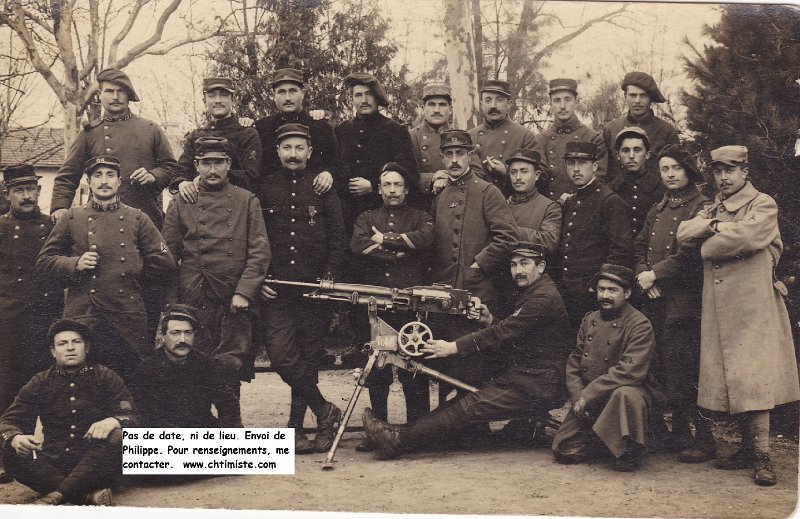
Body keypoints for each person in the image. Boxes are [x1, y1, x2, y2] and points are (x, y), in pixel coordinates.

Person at [362, 242, 570, 459]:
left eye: (525, 264)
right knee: (465, 401)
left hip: (537, 384)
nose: (518, 271)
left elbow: (503, 332)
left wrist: (453, 347)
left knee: (471, 406)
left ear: (541, 266)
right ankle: (398, 433)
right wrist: (488, 319)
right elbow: (516, 332)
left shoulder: (543, 298)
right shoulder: (535, 291)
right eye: (513, 265)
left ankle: (397, 439)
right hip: (525, 377)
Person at [677, 145, 800, 486]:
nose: (723, 177)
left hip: (753, 305)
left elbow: (742, 238)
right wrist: (715, 227)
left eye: (729, 170)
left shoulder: (763, 203)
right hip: (720, 307)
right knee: (734, 377)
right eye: (717, 171)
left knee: (754, 378)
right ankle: (746, 449)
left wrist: (710, 231)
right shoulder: (712, 206)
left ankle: (762, 456)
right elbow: (685, 235)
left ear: (745, 171)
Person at [37, 155, 176, 383]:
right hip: (84, 315)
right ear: (88, 181)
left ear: (119, 181)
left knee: (130, 383)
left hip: (126, 315)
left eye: (110, 175)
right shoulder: (73, 217)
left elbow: (164, 261)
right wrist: (75, 263)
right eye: (97, 175)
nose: (104, 181)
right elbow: (45, 261)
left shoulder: (137, 218)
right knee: (83, 385)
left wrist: (132, 275)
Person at [162, 137, 270, 423]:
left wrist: (245, 292)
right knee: (193, 363)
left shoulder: (246, 200)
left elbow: (260, 252)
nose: (212, 170)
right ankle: (197, 425)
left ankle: (231, 429)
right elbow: (168, 257)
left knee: (229, 366)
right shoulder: (180, 202)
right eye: (206, 163)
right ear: (196, 165)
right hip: (193, 296)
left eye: (218, 163)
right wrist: (174, 304)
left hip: (232, 297)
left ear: (228, 164)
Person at [258, 123, 348, 454]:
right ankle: (325, 410)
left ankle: (296, 427)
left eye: (299, 148)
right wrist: (262, 278)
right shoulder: (265, 187)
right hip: (278, 289)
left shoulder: (323, 188)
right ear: (278, 151)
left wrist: (330, 275)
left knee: (308, 358)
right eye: (287, 148)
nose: (293, 154)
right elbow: (257, 238)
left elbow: (338, 238)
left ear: (309, 152)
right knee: (282, 355)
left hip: (314, 290)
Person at [0, 319, 139, 505]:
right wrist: (16, 438)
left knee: (119, 436)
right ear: (53, 351)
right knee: (11, 450)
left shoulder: (105, 376)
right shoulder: (40, 382)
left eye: (76, 342)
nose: (70, 348)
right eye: (62, 344)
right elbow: (7, 421)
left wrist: (113, 421)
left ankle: (55, 496)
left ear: (87, 347)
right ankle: (85, 496)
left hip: (95, 463)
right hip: (54, 464)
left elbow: (134, 417)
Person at [633, 144, 711, 462]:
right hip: (656, 298)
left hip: (685, 301)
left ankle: (704, 439)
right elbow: (639, 244)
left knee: (686, 368)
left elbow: (690, 255)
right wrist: (643, 275)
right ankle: (676, 434)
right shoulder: (660, 206)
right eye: (664, 169)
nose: (670, 174)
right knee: (664, 366)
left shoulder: (702, 206)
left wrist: (656, 275)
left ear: (688, 169)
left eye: (676, 168)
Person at [350, 162, 435, 449]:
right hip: (377, 304)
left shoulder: (421, 216)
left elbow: (426, 239)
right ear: (379, 188)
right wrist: (400, 251)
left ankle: (418, 432)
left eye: (398, 185)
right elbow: (358, 245)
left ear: (407, 189)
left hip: (411, 305)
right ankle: (377, 431)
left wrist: (384, 240)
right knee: (378, 369)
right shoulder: (366, 216)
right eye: (387, 185)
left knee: (414, 367)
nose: (392, 190)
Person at [552, 264, 656, 472]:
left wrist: (588, 395)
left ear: (627, 293)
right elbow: (575, 360)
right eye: (601, 289)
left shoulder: (639, 325)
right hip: (590, 397)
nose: (605, 295)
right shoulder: (590, 319)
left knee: (626, 394)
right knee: (563, 449)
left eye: (612, 290)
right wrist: (577, 396)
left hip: (622, 395)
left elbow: (629, 371)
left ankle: (627, 448)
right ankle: (600, 441)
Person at [50, 68, 176, 229]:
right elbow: (67, 176)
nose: (115, 97)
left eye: (120, 91)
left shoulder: (151, 129)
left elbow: (171, 168)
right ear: (100, 95)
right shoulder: (90, 133)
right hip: (99, 220)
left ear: (129, 95)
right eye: (109, 91)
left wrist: (153, 176)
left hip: (144, 218)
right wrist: (60, 207)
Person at [0, 164, 63, 484]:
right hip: (10, 322)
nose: (26, 196)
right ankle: (7, 456)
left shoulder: (52, 225)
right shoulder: (0, 227)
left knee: (49, 386)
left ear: (40, 191)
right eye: (18, 190)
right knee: (9, 388)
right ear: (7, 194)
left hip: (45, 320)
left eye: (31, 189)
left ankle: (53, 450)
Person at [557, 141, 633, 331]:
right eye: (571, 163)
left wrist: (595, 285)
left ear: (595, 167)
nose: (576, 169)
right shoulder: (571, 201)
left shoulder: (610, 201)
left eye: (582, 163)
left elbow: (621, 251)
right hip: (568, 292)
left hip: (593, 294)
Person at [129, 304, 241, 428]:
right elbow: (147, 416)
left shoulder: (205, 363)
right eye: (175, 333)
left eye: (188, 333)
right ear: (163, 336)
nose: (182, 340)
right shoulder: (148, 368)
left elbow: (227, 401)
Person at [335, 72, 418, 230]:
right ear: (352, 99)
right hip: (347, 212)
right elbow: (334, 166)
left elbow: (409, 169)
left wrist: (374, 185)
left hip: (383, 211)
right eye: (358, 95)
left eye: (369, 94)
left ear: (378, 98)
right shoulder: (342, 130)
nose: (364, 100)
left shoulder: (394, 129)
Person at [171, 77, 263, 198]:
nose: (218, 100)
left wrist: (206, 177)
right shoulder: (196, 136)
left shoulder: (246, 133)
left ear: (233, 99)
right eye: (212, 96)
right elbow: (180, 171)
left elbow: (252, 176)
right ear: (205, 100)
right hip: (200, 204)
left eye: (224, 95)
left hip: (235, 203)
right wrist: (182, 183)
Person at [255, 68, 340, 195]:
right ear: (274, 96)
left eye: (293, 91)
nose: (287, 98)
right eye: (281, 92)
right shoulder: (262, 127)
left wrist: (328, 173)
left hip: (312, 196)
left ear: (303, 93)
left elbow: (337, 164)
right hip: (273, 198)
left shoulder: (320, 126)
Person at [533, 78, 607, 201]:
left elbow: (600, 178)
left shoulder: (593, 138)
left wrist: (575, 198)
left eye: (568, 100)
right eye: (557, 101)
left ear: (576, 102)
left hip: (583, 205)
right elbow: (537, 179)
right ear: (550, 103)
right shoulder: (541, 140)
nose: (562, 106)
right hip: (549, 209)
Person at [602, 72, 678, 183]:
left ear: (650, 99)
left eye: (643, 95)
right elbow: (603, 171)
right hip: (618, 196)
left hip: (656, 197)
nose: (637, 101)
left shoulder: (666, 130)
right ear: (625, 97)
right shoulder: (611, 129)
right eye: (633, 95)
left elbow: (675, 169)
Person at [466, 79, 537, 197]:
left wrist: (507, 172)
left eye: (499, 100)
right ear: (481, 104)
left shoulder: (525, 135)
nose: (493, 106)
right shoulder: (470, 136)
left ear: (509, 103)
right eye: (488, 100)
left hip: (512, 203)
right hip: (478, 203)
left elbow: (541, 175)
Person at [505, 149, 562, 259]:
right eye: (513, 172)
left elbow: (549, 242)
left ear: (537, 175)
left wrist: (509, 230)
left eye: (524, 171)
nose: (518, 177)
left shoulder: (550, 208)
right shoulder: (502, 205)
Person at [608, 127, 665, 237]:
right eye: (625, 150)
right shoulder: (610, 189)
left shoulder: (661, 188)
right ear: (618, 155)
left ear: (647, 154)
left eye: (637, 150)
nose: (631, 156)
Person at [409, 83, 453, 205]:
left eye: (442, 105)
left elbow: (476, 171)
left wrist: (449, 178)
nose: (437, 110)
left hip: (453, 203)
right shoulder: (410, 136)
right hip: (420, 203)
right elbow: (405, 172)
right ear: (423, 108)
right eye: (431, 104)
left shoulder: (459, 136)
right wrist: (432, 178)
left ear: (450, 109)